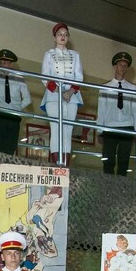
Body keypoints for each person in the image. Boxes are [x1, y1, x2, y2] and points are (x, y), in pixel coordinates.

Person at [41, 22, 83, 165]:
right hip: (53, 96)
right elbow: (45, 77)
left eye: (65, 34)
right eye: (60, 34)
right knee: (56, 129)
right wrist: (60, 91)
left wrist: (70, 91)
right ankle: (56, 163)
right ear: (55, 37)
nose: (63, 36)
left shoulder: (75, 55)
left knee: (68, 130)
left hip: (72, 97)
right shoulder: (49, 55)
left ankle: (65, 165)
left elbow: (79, 77)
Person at [97, 52, 136, 176]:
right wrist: (100, 130)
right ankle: (107, 188)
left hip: (127, 127)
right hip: (110, 126)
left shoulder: (132, 88)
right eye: (120, 65)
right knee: (108, 161)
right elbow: (102, 109)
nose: (122, 68)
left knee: (124, 161)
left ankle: (122, 190)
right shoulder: (105, 87)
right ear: (115, 66)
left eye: (125, 65)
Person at [0, 49, 31, 155]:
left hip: (13, 116)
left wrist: (17, 109)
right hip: (0, 115)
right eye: (0, 62)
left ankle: (9, 163)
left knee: (11, 144)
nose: (2, 65)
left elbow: (27, 99)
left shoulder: (19, 79)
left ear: (11, 64)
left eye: (5, 63)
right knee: (0, 143)